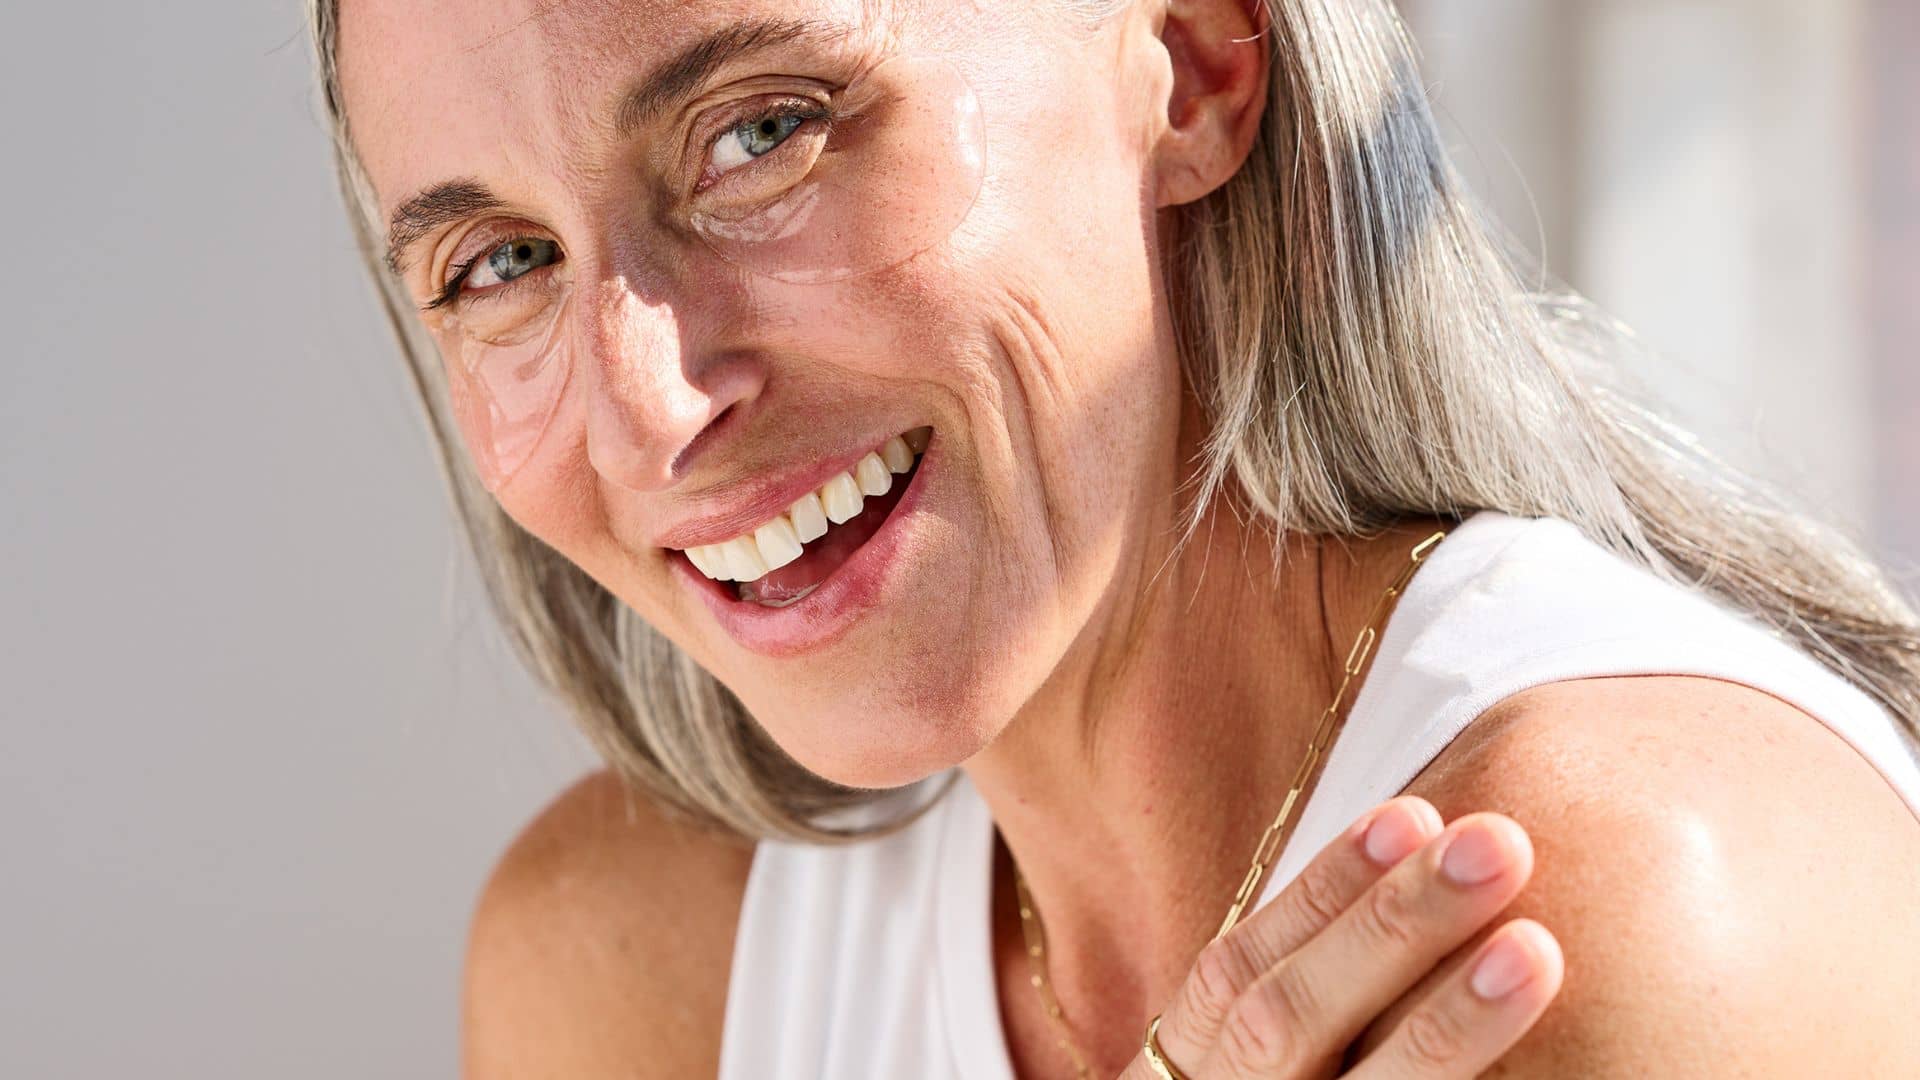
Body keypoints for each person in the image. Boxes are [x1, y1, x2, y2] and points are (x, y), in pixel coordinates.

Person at [309, 0, 1920, 1075]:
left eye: (761, 134)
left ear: (1194, 61)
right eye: (497, 261)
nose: (649, 407)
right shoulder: (630, 972)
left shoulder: (1583, 909)